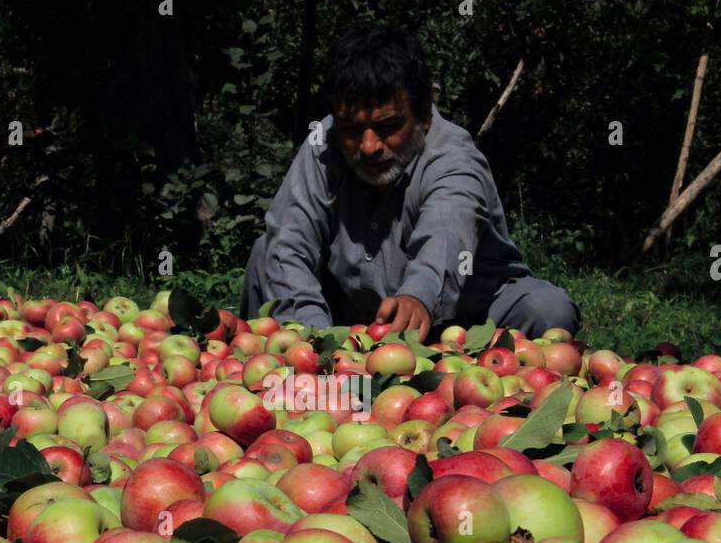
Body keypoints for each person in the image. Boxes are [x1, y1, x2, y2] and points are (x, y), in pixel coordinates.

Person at [240, 21, 579, 341]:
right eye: (352, 129)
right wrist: (316, 346)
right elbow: (290, 242)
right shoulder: (323, 143)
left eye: (387, 127)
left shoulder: (452, 157)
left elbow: (446, 232)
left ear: (424, 114)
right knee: (266, 253)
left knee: (547, 310)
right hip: (352, 322)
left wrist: (419, 296)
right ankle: (283, 380)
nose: (369, 146)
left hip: (467, 318)